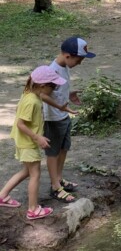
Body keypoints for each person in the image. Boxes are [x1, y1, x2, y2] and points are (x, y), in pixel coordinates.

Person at [0, 66, 66, 220]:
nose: (54, 90)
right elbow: (20, 124)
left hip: (24, 141)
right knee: (35, 174)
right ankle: (33, 209)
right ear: (43, 86)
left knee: (27, 171)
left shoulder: (30, 94)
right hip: (28, 143)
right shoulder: (32, 102)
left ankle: (2, 196)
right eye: (53, 86)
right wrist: (38, 137)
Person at [44, 36, 96, 203]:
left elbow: (58, 90)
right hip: (53, 119)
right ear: (67, 56)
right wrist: (60, 106)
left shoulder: (64, 66)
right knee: (53, 152)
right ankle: (55, 187)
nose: (80, 63)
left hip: (63, 115)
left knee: (64, 148)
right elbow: (43, 95)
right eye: (79, 60)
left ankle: (59, 179)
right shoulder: (52, 72)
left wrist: (69, 94)